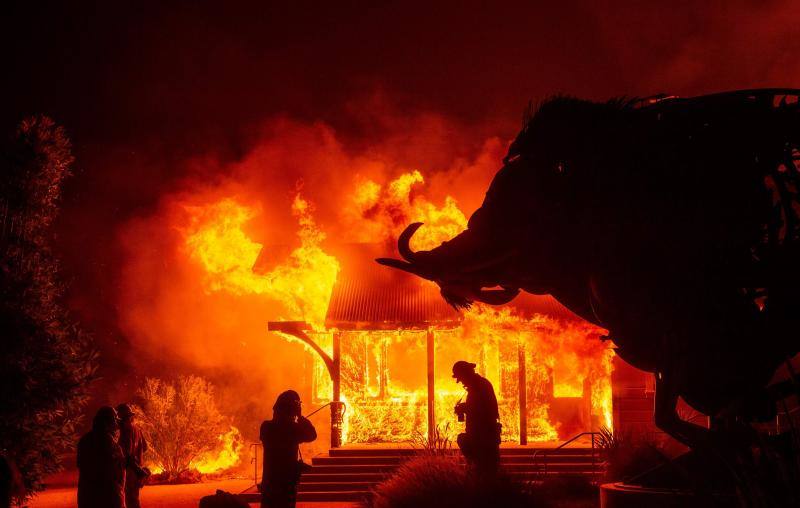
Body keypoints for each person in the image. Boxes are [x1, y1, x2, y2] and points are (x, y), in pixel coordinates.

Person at [259, 390, 317, 508]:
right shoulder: (292, 429)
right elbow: (312, 435)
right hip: (286, 484)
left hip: (270, 483)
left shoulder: (266, 427)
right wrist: (300, 416)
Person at [453, 360, 501, 476]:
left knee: (485, 470)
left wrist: (465, 408)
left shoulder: (480, 386)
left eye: (461, 378)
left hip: (483, 437)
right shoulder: (478, 386)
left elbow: (484, 411)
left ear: (466, 374)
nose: (461, 382)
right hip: (480, 436)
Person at [77, 406, 126, 508]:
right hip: (108, 498)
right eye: (115, 420)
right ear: (107, 422)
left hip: (87, 498)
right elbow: (116, 472)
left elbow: (80, 464)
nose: (116, 424)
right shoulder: (109, 442)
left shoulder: (85, 440)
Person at [117, 404, 149, 508]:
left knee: (130, 501)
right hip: (137, 470)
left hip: (130, 471)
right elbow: (145, 447)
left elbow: (127, 453)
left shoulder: (125, 432)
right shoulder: (137, 429)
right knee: (134, 499)